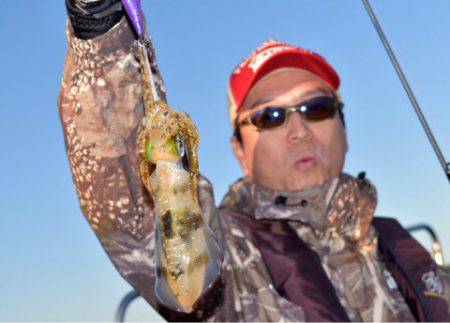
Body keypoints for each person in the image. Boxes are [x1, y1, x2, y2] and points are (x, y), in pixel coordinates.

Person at [59, 1, 450, 321]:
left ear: (344, 128)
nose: (299, 130)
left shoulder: (399, 243)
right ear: (238, 149)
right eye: (270, 117)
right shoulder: (230, 260)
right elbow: (130, 207)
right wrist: (102, 22)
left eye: (316, 107)